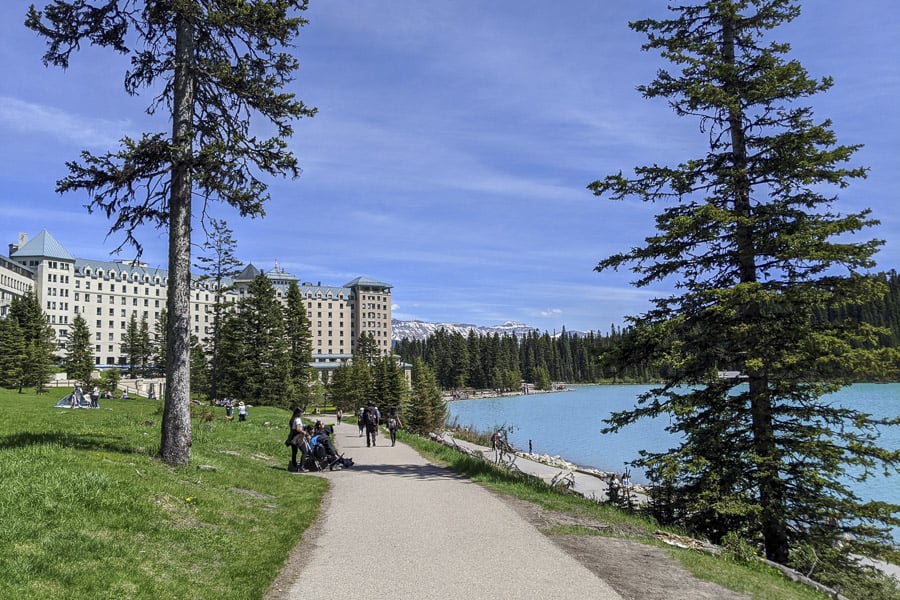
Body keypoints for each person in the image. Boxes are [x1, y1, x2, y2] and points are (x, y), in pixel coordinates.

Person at [287, 408, 306, 473]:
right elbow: (298, 429)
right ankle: (301, 467)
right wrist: (303, 431)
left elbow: (293, 429)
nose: (303, 414)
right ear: (299, 413)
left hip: (293, 437)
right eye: (302, 412)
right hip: (298, 437)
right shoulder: (298, 419)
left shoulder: (293, 419)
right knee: (304, 451)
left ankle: (294, 466)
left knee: (294, 453)